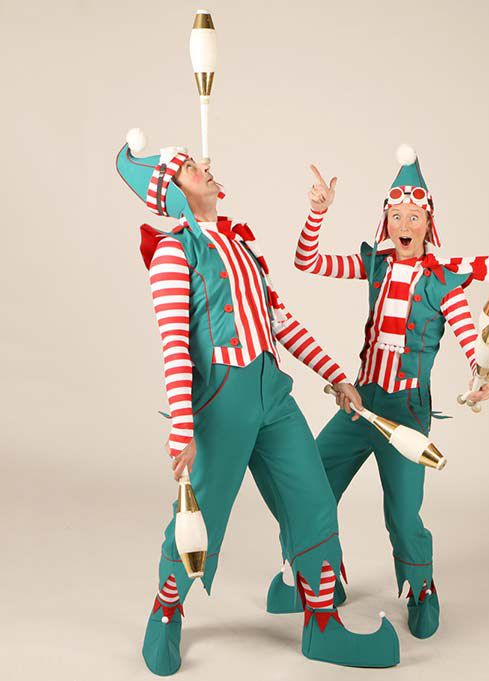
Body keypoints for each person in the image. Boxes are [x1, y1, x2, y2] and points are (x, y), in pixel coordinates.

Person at [115, 129, 400, 674]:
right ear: (171, 190)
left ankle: (322, 625)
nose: (203, 165)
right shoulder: (173, 251)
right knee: (202, 513)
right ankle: (166, 610)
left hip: (273, 392)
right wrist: (182, 425)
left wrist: (336, 375)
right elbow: (174, 343)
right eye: (188, 167)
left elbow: (280, 320)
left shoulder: (242, 243)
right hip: (222, 400)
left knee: (312, 497)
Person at [266, 145, 489, 640]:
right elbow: (308, 261)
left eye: (413, 216)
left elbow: (469, 340)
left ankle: (420, 589)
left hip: (406, 412)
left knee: (403, 515)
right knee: (308, 486)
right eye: (395, 216)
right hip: (360, 402)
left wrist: (480, 376)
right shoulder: (377, 266)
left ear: (428, 224)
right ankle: (320, 575)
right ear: (385, 222)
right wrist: (317, 212)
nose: (403, 224)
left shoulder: (443, 283)